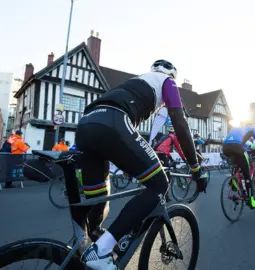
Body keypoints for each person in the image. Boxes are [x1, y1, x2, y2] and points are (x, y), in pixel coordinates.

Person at [74, 59, 204, 269]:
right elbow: (180, 124)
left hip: (86, 124)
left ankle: (85, 245)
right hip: (113, 122)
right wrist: (195, 168)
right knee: (159, 184)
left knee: (98, 199)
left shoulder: (137, 80)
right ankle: (101, 252)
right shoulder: (167, 82)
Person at [223, 125, 255, 209]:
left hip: (225, 147)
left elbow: (239, 142)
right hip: (237, 147)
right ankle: (251, 200)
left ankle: (233, 181)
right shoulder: (252, 129)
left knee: (237, 164)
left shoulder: (235, 128)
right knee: (247, 174)